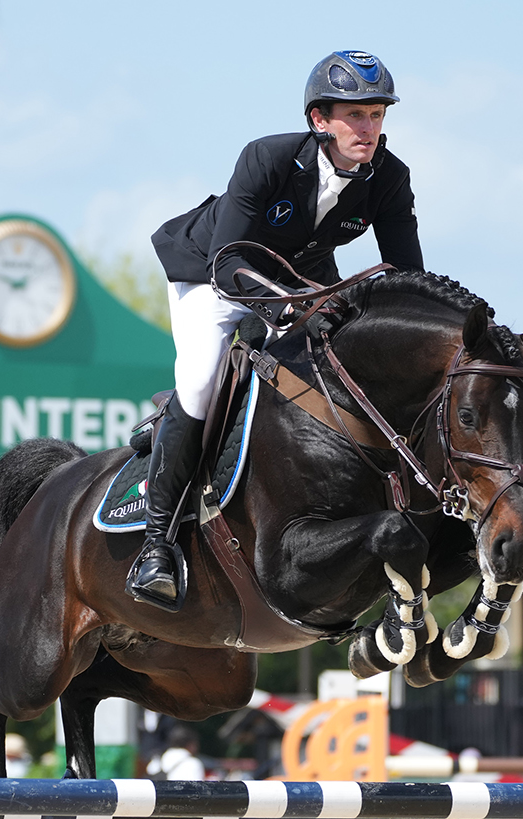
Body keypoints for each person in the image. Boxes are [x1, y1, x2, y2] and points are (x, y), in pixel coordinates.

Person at [131, 51, 424, 611]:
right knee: (199, 383)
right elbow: (228, 262)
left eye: (377, 115)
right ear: (321, 120)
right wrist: (285, 310)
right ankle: (156, 547)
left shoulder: (389, 177)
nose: (369, 128)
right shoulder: (266, 158)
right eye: (356, 116)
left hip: (302, 278)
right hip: (213, 274)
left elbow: (407, 276)